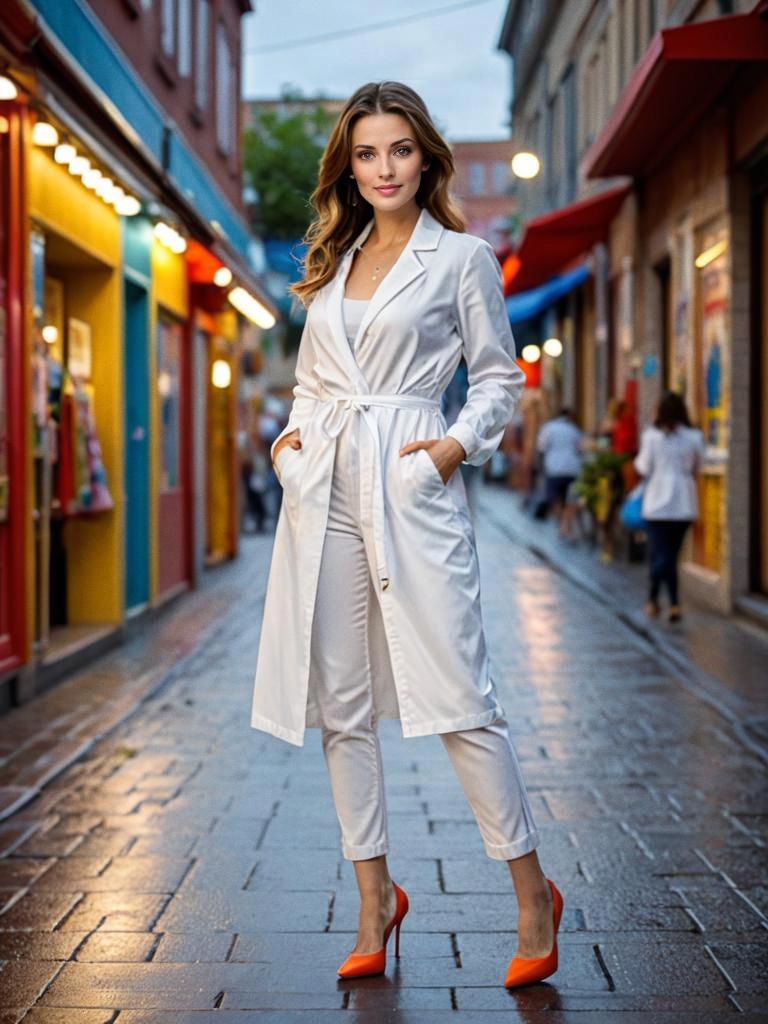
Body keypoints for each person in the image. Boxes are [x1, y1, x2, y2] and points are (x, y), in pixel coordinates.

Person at [249, 81, 562, 990]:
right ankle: (374, 900)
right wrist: (286, 448)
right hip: (328, 492)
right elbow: (311, 387)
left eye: (399, 150)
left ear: (425, 157)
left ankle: (533, 897)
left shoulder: (463, 258)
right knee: (342, 706)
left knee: (462, 696)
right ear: (348, 168)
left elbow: (498, 380)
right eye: (365, 154)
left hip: (410, 480)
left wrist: (451, 452)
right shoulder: (333, 264)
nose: (383, 168)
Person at [634, 391, 704, 622]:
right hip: (683, 501)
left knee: (660, 555)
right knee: (669, 556)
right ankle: (672, 604)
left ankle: (656, 600)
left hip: (657, 502)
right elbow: (699, 466)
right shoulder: (693, 437)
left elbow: (643, 467)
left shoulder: (652, 437)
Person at [536, 408, 584, 539]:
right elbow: (580, 447)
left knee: (555, 499)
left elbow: (541, 447)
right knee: (569, 500)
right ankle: (565, 526)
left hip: (554, 468)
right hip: (572, 469)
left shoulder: (549, 428)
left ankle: (561, 525)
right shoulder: (573, 429)